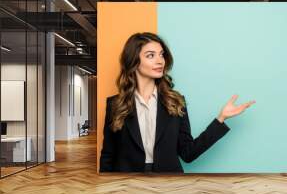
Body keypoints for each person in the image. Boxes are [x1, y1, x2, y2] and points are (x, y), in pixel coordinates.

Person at [100, 32, 255, 173]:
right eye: (150, 55)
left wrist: (221, 119)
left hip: (169, 184)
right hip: (127, 186)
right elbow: (108, 155)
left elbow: (188, 153)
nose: (160, 60)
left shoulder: (176, 101)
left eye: (161, 54)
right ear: (134, 61)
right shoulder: (115, 105)